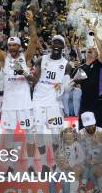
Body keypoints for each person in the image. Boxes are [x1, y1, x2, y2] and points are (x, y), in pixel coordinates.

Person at [0, 9, 38, 172]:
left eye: (15, 45)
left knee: (29, 134)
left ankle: (30, 165)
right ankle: (11, 166)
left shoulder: (26, 57)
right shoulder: (3, 58)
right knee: (8, 136)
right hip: (8, 105)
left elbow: (34, 40)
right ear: (7, 46)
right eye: (10, 45)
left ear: (19, 46)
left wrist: (30, 22)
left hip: (24, 104)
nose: (12, 47)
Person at [29, 35, 72, 173]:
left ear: (63, 47)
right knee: (39, 132)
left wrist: (65, 86)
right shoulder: (41, 59)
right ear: (51, 44)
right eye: (54, 43)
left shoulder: (67, 64)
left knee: (55, 133)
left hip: (54, 102)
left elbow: (67, 87)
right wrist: (26, 75)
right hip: (38, 100)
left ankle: (54, 163)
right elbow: (35, 79)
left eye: (59, 44)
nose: (56, 46)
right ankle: (44, 165)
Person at [46, 127, 85, 193]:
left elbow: (81, 158)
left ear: (74, 137)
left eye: (70, 138)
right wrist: (59, 162)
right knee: (51, 181)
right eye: (66, 138)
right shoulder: (61, 144)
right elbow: (56, 155)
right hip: (59, 169)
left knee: (65, 184)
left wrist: (70, 164)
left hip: (69, 170)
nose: (68, 140)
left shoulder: (76, 145)